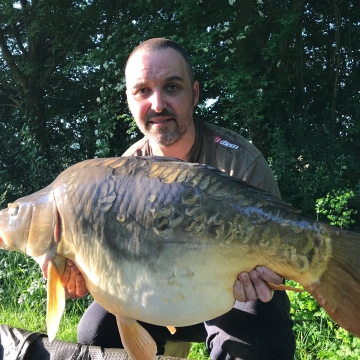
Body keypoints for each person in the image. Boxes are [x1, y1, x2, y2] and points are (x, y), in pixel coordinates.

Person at [61, 38, 295, 360]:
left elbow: (277, 260)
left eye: (172, 87)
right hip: (160, 293)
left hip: (231, 292)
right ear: (129, 100)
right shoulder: (122, 174)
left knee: (256, 340)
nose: (157, 104)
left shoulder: (240, 163)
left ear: (195, 94)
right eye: (143, 91)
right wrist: (83, 275)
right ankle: (172, 347)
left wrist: (267, 272)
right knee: (95, 332)